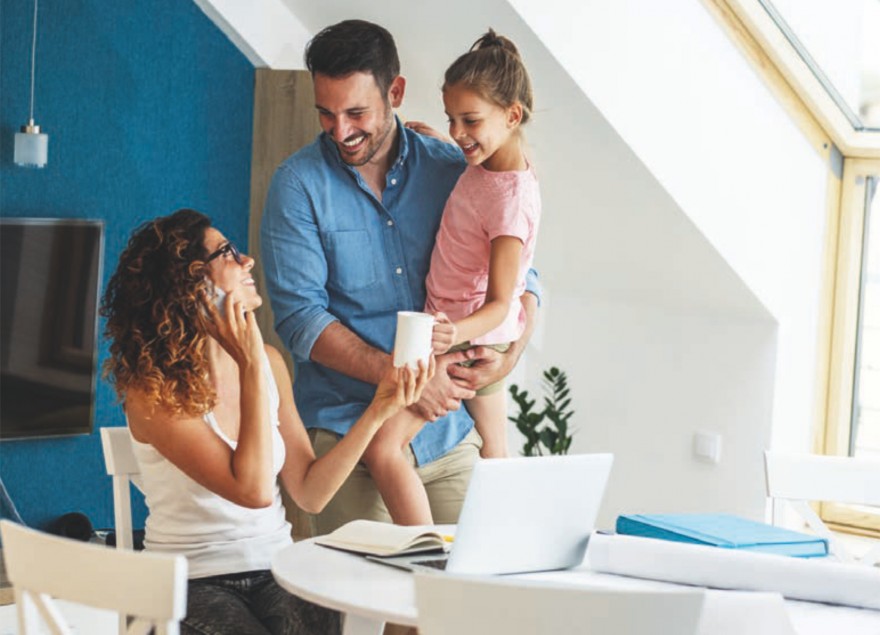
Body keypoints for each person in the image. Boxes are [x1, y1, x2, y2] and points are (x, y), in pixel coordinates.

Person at [261, 19, 540, 535]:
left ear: (396, 93)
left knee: (484, 568)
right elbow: (301, 320)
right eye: (326, 113)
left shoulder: (453, 167)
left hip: (446, 430)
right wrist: (403, 379)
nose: (340, 131)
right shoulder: (297, 187)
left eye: (356, 113)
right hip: (349, 429)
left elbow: (522, 276)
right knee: (381, 580)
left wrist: (508, 358)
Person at [101, 209, 431, 635]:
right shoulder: (154, 391)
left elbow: (310, 493)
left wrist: (380, 409)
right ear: (191, 282)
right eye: (227, 253)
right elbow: (253, 491)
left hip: (277, 569)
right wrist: (250, 360)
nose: (247, 261)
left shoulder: (269, 364)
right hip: (188, 582)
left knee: (414, 611)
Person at [358, 30, 541, 525]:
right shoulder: (491, 167)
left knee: (383, 449)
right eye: (451, 119)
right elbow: (481, 189)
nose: (458, 132)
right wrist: (448, 146)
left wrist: (452, 335)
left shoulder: (510, 204)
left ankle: (424, 553)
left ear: (512, 116)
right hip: (467, 331)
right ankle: (504, 544)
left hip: (468, 336)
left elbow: (502, 301)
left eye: (470, 121)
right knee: (495, 454)